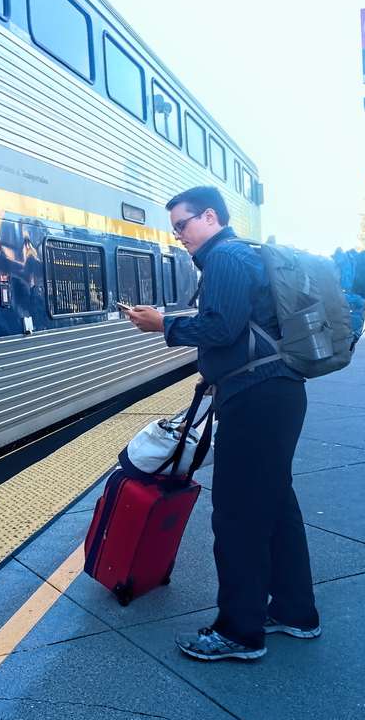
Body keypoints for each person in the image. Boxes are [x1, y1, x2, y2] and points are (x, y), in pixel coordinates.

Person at [126, 185, 320, 661]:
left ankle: (239, 632)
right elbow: (241, 329)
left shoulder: (225, 258)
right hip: (272, 394)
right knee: (276, 507)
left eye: (183, 225)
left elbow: (220, 327)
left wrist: (162, 324)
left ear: (210, 217)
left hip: (257, 401)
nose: (179, 236)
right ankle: (295, 612)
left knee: (237, 516)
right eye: (175, 229)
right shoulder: (240, 256)